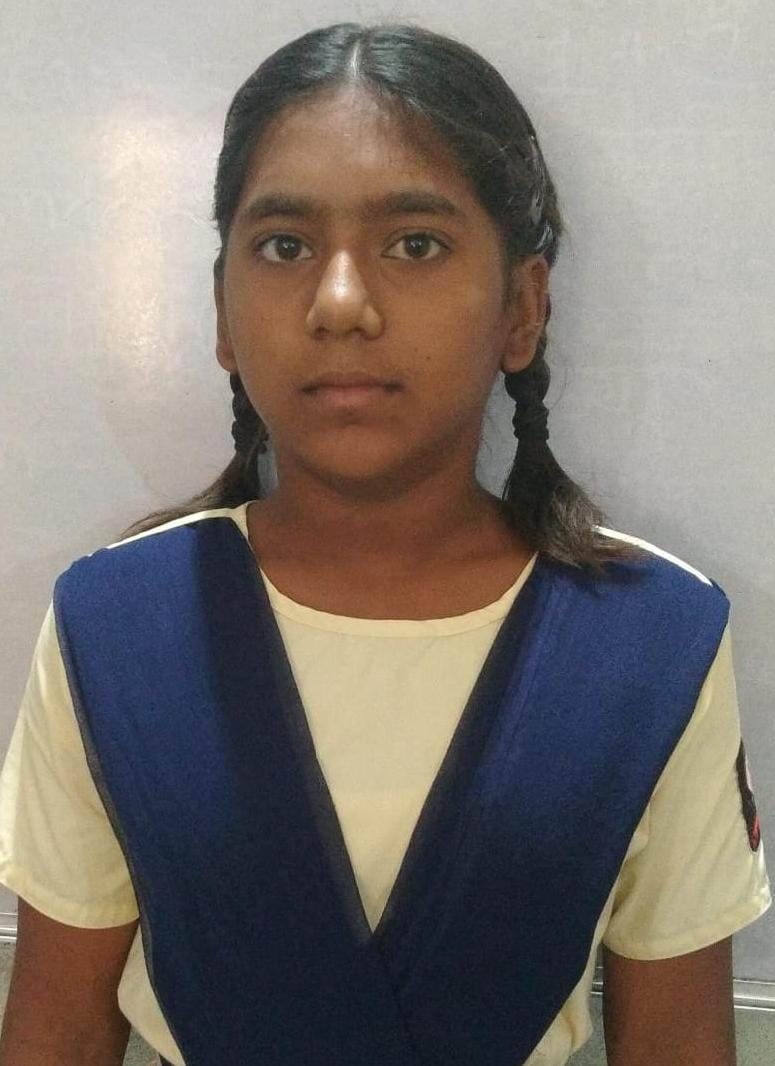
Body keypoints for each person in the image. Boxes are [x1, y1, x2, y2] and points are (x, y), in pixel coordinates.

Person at [0, 20, 770, 1066]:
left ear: (523, 308)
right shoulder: (119, 629)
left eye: (414, 244)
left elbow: (677, 1040)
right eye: (284, 246)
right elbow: (55, 1030)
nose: (340, 303)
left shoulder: (646, 647)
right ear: (223, 311)